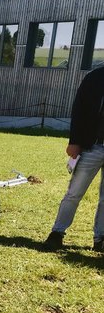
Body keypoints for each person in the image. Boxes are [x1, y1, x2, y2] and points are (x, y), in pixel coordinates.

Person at [43, 66, 104, 251]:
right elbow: (79, 109)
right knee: (74, 193)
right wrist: (75, 141)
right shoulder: (94, 77)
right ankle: (57, 233)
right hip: (92, 146)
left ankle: (100, 239)